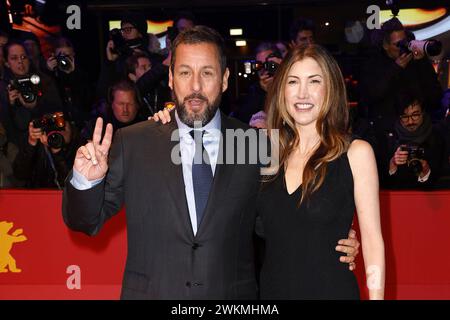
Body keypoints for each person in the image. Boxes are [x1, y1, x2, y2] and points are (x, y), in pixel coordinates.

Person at [62, 26, 359, 300]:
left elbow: (275, 222)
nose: (195, 86)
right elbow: (84, 221)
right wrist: (85, 181)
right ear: (170, 79)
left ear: (225, 79)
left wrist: (332, 233)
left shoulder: (254, 144)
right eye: (184, 73)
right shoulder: (134, 143)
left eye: (207, 73)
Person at [255, 44, 385, 299]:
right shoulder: (265, 152)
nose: (302, 93)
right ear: (282, 90)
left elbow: (372, 241)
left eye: (314, 81)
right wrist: (166, 124)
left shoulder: (357, 153)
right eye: (293, 82)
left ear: (330, 89)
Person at [0, 41, 63, 146]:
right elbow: (9, 128)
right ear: (7, 63)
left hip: (48, 142)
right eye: (14, 58)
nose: (20, 61)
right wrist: (11, 105)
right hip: (21, 149)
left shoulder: (44, 80)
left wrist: (35, 106)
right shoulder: (4, 88)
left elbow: (57, 112)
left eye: (23, 57)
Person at [380, 92, 445, 189]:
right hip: (397, 198)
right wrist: (392, 164)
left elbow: (442, 180)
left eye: (415, 115)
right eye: (405, 117)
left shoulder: (437, 137)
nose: (410, 121)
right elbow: (381, 183)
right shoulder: (388, 138)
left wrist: (426, 173)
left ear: (423, 113)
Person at [234, 42, 282, 125]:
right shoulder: (252, 91)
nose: (264, 69)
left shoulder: (289, 87)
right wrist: (262, 92)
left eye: (269, 64)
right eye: (259, 65)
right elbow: (241, 122)